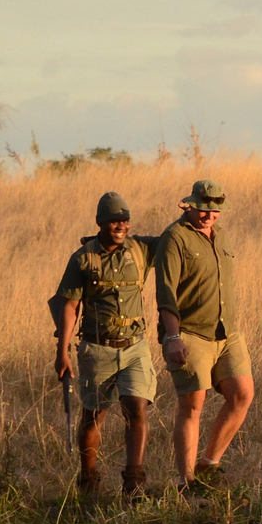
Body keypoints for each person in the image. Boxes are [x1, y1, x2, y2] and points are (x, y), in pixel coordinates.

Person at [51, 191, 161, 498]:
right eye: (114, 220)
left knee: (136, 408)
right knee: (93, 415)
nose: (120, 225)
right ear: (101, 222)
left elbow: (174, 239)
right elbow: (70, 307)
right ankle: (89, 481)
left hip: (135, 346)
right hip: (96, 348)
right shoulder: (83, 258)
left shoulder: (140, 250)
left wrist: (194, 211)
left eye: (124, 220)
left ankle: (134, 483)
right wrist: (62, 354)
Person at [155, 179, 256, 491]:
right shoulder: (175, 237)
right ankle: (186, 482)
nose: (208, 215)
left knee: (242, 394)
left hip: (227, 332)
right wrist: (172, 338)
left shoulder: (220, 235)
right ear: (190, 205)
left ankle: (208, 465)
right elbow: (166, 292)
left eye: (215, 210)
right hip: (189, 332)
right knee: (192, 405)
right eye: (203, 209)